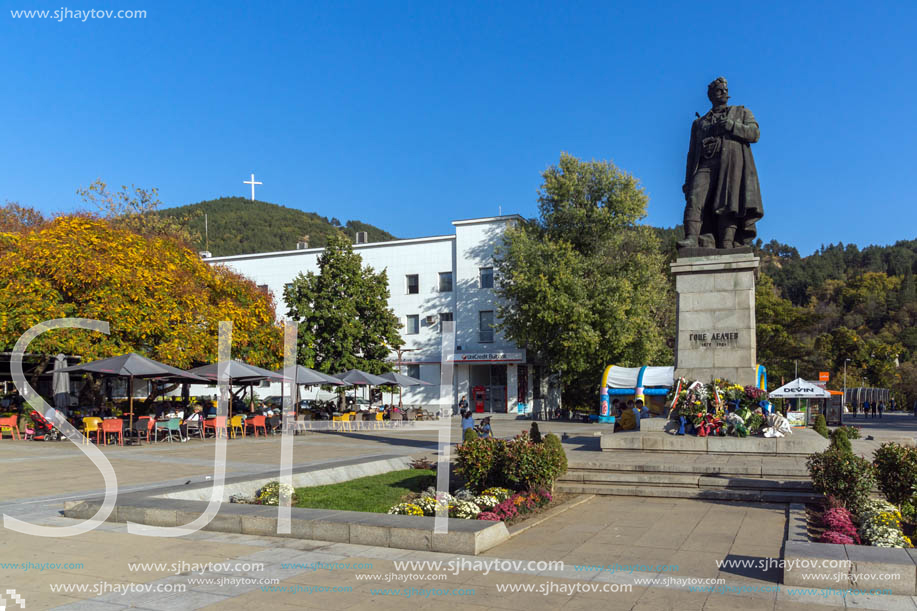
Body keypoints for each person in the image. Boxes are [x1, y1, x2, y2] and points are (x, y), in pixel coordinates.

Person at [677, 77, 763, 250]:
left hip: (732, 165)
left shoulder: (741, 112)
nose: (724, 92)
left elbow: (754, 134)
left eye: (725, 89)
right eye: (719, 90)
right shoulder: (699, 123)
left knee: (729, 202)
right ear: (710, 95)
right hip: (706, 165)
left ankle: (727, 243)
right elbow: (691, 154)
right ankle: (692, 238)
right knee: (695, 198)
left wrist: (732, 126)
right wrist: (688, 180)